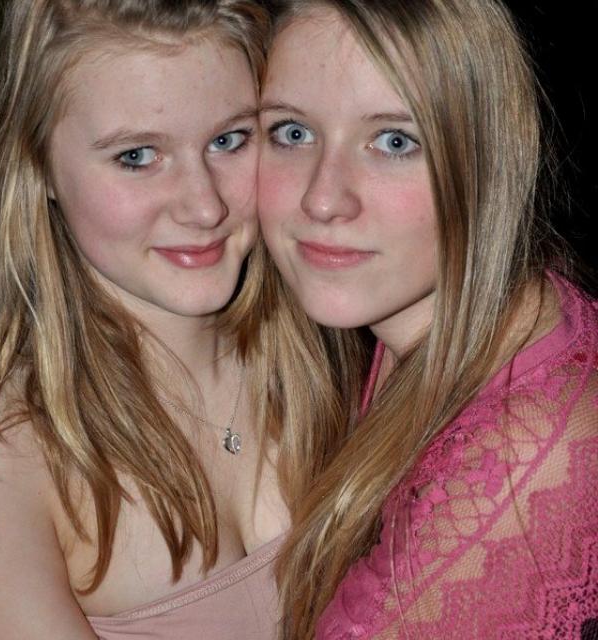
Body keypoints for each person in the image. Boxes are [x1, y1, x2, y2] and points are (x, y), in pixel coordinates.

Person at [0, 1, 365, 638]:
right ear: (38, 167)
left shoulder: (340, 346)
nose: (204, 207)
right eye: (137, 156)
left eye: (229, 140)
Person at [258, 0, 598, 638]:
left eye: (395, 141)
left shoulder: (525, 456)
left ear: (490, 162)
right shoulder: (435, 331)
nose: (323, 198)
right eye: (292, 133)